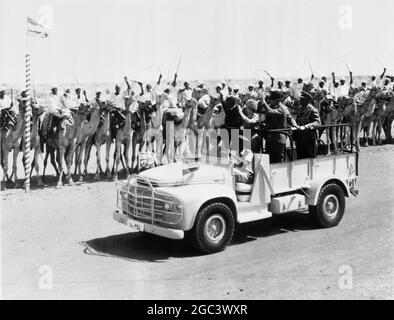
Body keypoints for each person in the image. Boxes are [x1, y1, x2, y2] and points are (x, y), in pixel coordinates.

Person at [261, 89, 298, 163]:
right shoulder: (271, 106)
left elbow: (271, 112)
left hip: (278, 139)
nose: (270, 101)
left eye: (272, 100)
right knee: (270, 161)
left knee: (278, 161)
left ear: (277, 100)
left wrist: (263, 102)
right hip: (270, 138)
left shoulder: (282, 108)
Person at [293, 91, 321, 159]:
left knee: (310, 159)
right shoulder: (300, 109)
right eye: (300, 99)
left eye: (302, 99)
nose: (300, 100)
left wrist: (306, 126)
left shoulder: (312, 110)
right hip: (300, 138)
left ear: (307, 100)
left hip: (309, 138)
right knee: (300, 159)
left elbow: (318, 122)